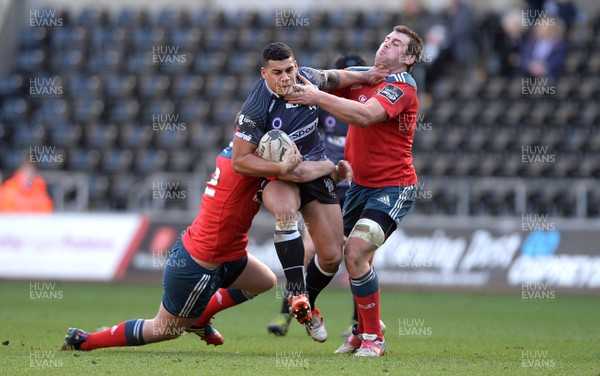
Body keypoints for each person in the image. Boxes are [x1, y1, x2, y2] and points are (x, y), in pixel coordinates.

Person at [60, 141, 342, 351]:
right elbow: (297, 174)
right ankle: (86, 341)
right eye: (284, 153)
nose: (288, 159)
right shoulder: (253, 171)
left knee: (264, 280)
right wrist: (330, 167)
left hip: (227, 254)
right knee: (165, 329)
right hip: (201, 264)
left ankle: (200, 318)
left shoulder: (233, 155)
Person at [232, 42, 387, 343]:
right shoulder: (255, 108)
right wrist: (280, 168)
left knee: (331, 257)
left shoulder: (307, 80)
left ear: (296, 65)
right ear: (264, 73)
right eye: (277, 72)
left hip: (315, 174)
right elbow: (240, 160)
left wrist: (368, 75)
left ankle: (309, 307)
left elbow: (336, 77)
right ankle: (296, 293)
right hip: (280, 176)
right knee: (285, 211)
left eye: (289, 69)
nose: (286, 77)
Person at [286, 25, 424, 357]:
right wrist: (295, 76)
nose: (386, 44)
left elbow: (364, 116)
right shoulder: (366, 77)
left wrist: (317, 96)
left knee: (356, 252)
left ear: (409, 58)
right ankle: (353, 327)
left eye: (396, 44)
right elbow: (325, 76)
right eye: (386, 39)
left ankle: (373, 338)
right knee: (331, 254)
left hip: (393, 187)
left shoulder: (402, 87)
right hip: (359, 187)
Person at [265, 53, 367, 338]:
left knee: (359, 255)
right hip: (328, 185)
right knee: (310, 249)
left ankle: (358, 323)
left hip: (358, 190)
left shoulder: (368, 107)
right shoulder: (322, 103)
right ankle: (289, 313)